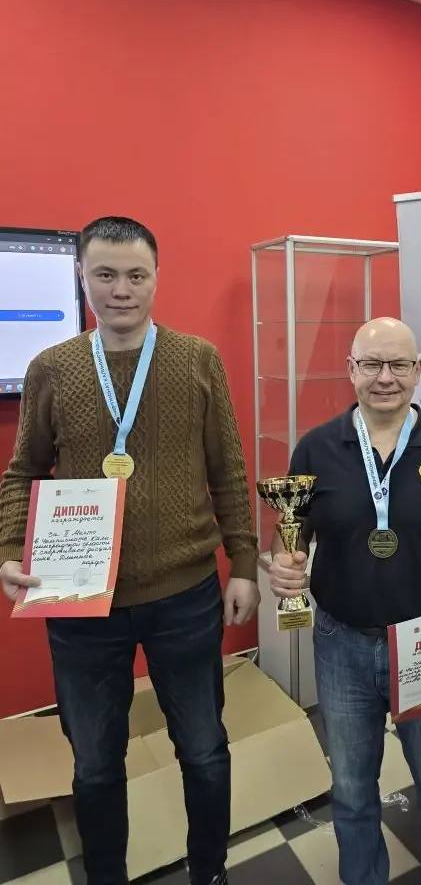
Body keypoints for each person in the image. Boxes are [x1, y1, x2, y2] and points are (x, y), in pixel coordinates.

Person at [0, 216, 260, 885]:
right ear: (82, 277)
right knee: (94, 764)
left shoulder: (197, 359)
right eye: (106, 275)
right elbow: (22, 472)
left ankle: (210, 872)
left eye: (136, 275)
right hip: (81, 602)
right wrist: (8, 549)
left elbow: (228, 469)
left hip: (185, 595)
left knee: (204, 750)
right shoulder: (51, 368)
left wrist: (244, 564)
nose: (121, 290)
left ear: (156, 279)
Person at [269, 317, 421, 885]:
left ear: (417, 371)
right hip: (342, 643)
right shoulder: (316, 447)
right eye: (371, 364)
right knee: (351, 790)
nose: (385, 377)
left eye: (398, 364)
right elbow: (292, 536)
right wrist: (283, 565)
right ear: (351, 370)